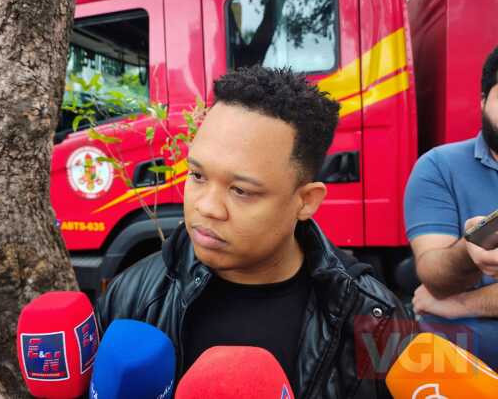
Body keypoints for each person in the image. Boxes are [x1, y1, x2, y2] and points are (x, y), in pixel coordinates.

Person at [96, 66, 412, 398]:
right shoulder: (133, 296)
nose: (208, 207)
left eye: (241, 191)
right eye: (197, 176)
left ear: (306, 201)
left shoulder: (377, 318)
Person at [405, 46, 498, 369]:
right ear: (483, 100)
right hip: (462, 358)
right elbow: (434, 275)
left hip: (462, 318)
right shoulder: (438, 167)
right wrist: (471, 247)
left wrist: (461, 304)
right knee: (383, 354)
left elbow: (439, 297)